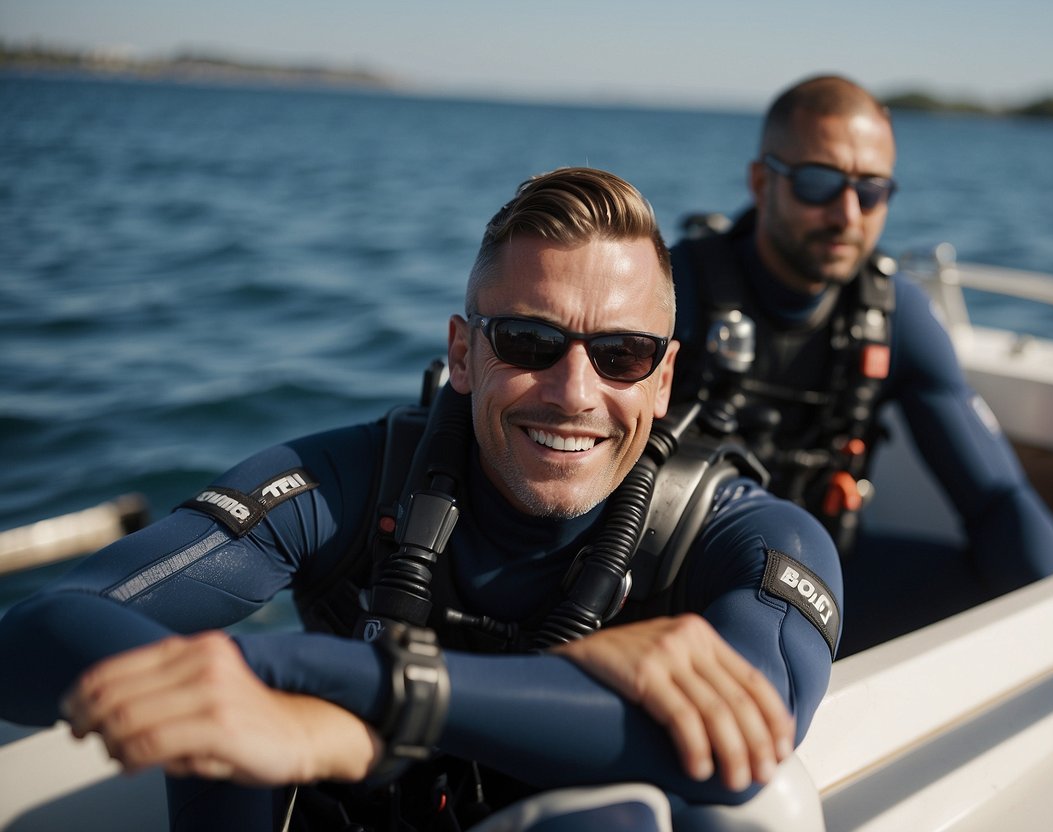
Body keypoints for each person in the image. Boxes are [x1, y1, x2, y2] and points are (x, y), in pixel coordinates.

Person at [0, 168, 841, 830]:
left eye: (620, 353)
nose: (573, 391)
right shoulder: (353, 481)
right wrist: (263, 705)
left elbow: (739, 743)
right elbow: (37, 628)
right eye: (529, 341)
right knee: (222, 751)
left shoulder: (748, 536)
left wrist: (311, 683)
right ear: (463, 353)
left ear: (663, 378)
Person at [669, 75, 1053, 655]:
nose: (847, 213)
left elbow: (997, 502)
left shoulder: (894, 314)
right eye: (817, 183)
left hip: (829, 582)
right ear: (761, 182)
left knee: (996, 579)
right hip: (678, 589)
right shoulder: (673, 291)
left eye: (872, 190)